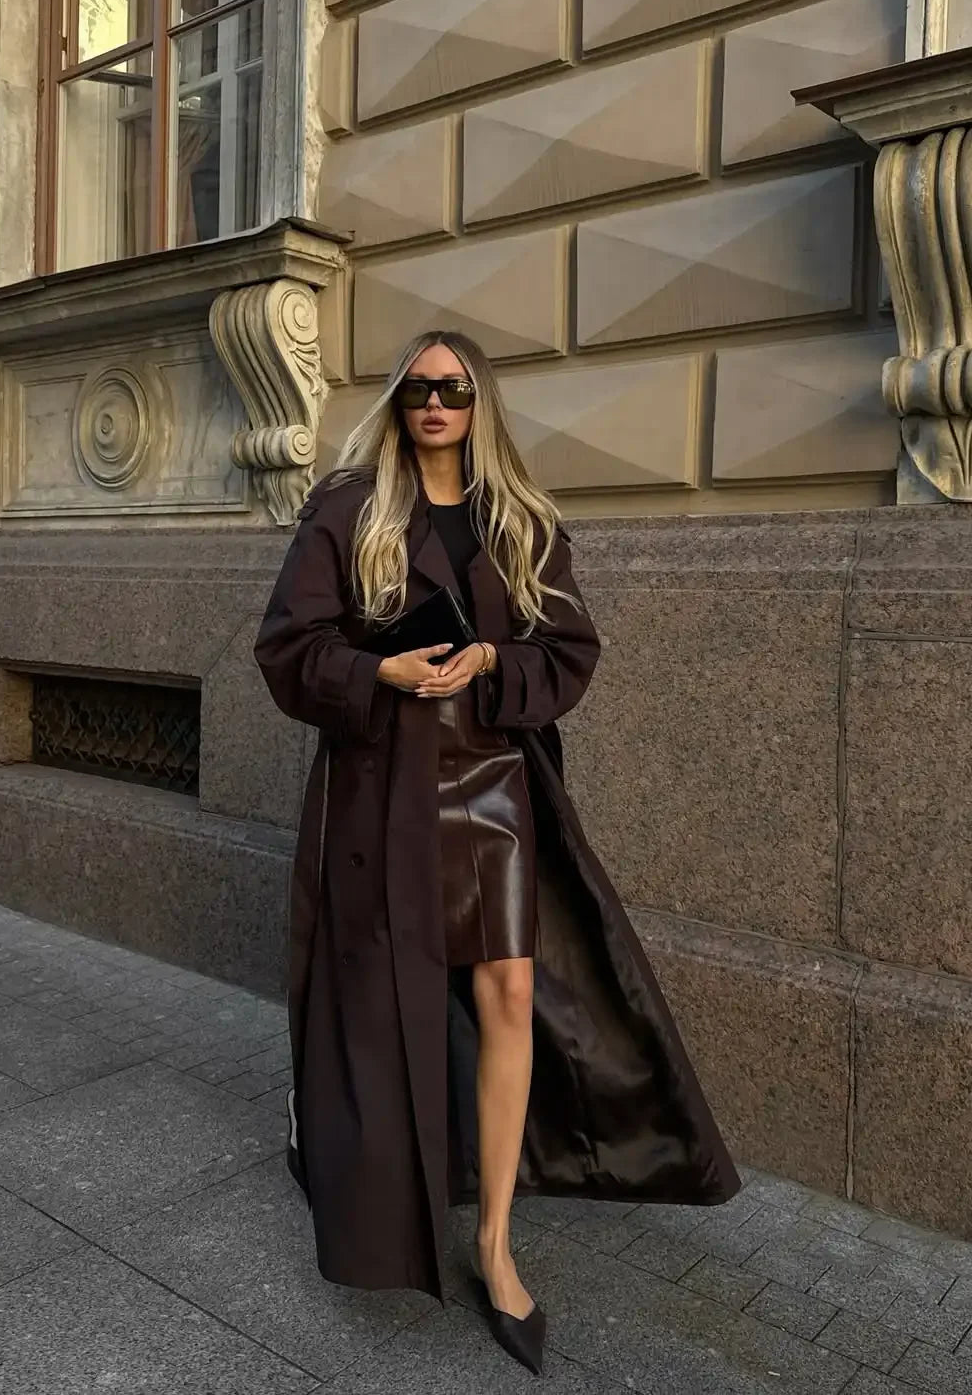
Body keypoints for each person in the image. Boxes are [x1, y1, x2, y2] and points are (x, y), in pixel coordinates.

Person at [253, 330, 739, 1375]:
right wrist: (378, 675)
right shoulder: (347, 507)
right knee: (388, 997)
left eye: (455, 389)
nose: (436, 403)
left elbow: (570, 650)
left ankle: (495, 1238)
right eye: (420, 387)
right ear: (398, 400)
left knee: (512, 992)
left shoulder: (518, 516)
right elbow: (286, 649)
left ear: (479, 403)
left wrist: (492, 661)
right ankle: (369, 1178)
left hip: (492, 786)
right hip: (384, 789)